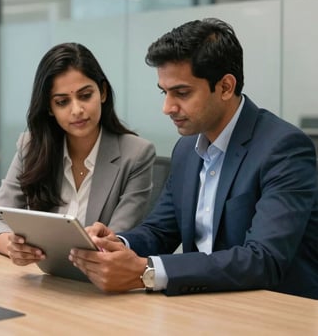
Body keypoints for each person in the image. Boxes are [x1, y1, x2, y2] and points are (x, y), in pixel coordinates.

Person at [69, 18, 318, 299]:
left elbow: (263, 259)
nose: (167, 107)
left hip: (272, 310)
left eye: (182, 93)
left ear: (225, 87)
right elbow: (160, 231)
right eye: (165, 92)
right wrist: (117, 243)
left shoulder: (283, 148)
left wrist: (146, 270)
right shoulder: (187, 148)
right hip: (203, 304)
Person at [0, 42, 155, 266]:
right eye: (62, 102)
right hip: (40, 280)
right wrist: (12, 246)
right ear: (50, 108)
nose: (77, 110)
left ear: (103, 92)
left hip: (95, 284)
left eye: (85, 95)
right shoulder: (31, 146)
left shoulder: (136, 154)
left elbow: (115, 243)